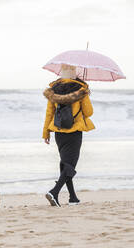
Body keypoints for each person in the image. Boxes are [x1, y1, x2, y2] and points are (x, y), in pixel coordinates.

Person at [42, 64, 95, 207]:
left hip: (58, 132)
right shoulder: (81, 90)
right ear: (73, 74)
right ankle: (55, 191)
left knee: (65, 164)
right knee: (70, 165)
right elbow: (89, 112)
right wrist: (86, 93)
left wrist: (46, 132)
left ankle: (73, 198)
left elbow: (49, 114)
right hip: (74, 132)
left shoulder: (53, 91)